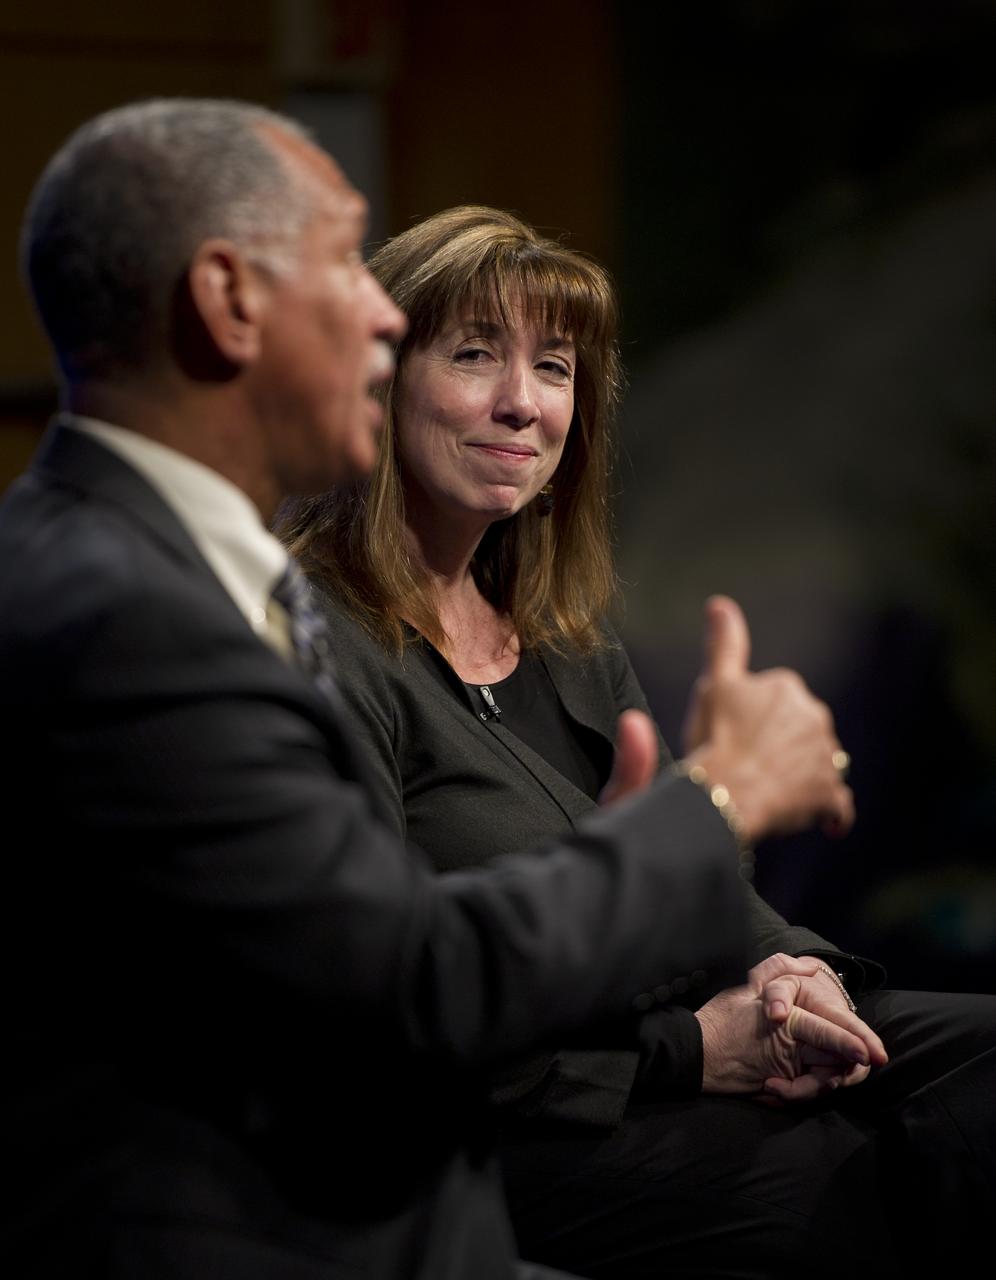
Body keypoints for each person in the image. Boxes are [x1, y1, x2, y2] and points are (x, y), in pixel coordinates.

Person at [0, 102, 866, 1280]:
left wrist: (772, 960)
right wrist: (716, 802)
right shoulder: (127, 610)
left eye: (552, 368)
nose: (378, 314)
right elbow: (402, 987)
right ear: (227, 299)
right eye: (344, 267)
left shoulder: (156, 567)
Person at [282, 205, 996, 1276]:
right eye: (476, 355)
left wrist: (788, 966)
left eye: (555, 367)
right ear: (380, 379)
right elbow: (381, 1020)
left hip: (676, 1030)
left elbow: (695, 861)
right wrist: (694, 1051)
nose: (524, 404)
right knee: (832, 1174)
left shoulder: (557, 629)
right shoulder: (316, 646)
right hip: (500, 1122)